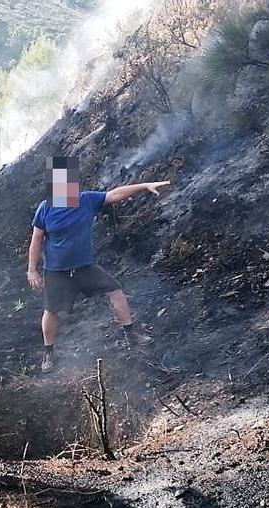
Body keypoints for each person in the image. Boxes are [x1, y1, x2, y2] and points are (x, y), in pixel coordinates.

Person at [25, 156, 168, 373]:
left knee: (115, 290)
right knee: (51, 310)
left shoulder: (86, 200)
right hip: (56, 271)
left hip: (84, 266)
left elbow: (114, 194)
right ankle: (49, 353)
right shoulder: (45, 208)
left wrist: (144, 186)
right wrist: (32, 270)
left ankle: (131, 334)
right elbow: (36, 240)